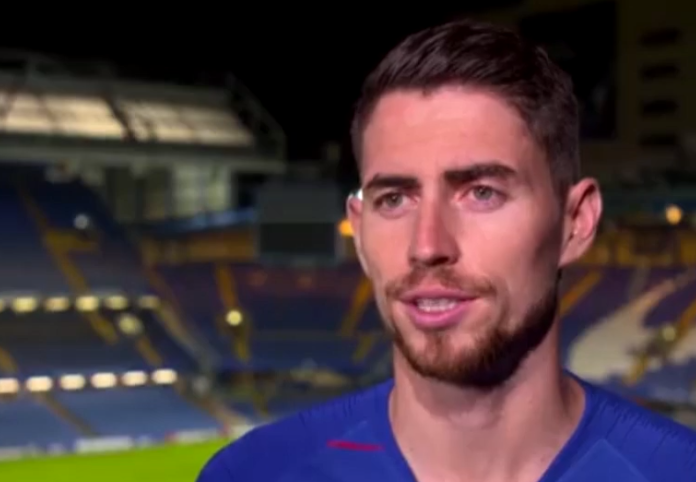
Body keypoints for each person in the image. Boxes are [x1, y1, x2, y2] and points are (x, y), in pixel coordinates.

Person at [198, 19, 696, 482]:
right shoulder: (252, 474)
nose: (428, 245)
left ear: (576, 221)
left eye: (482, 193)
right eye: (394, 199)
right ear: (361, 232)